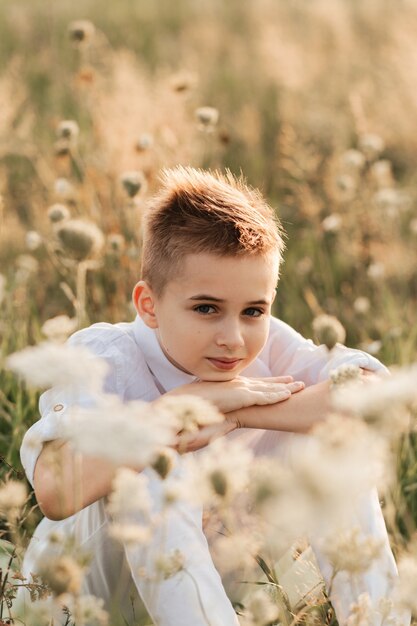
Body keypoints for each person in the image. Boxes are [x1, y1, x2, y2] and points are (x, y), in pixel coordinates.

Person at [19, 167, 405, 626]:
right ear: (149, 305)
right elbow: (55, 491)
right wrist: (183, 409)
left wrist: (239, 411)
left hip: (218, 591)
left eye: (253, 311)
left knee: (331, 437)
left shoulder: (273, 345)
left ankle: (377, 618)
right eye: (206, 308)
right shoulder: (104, 353)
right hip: (81, 599)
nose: (234, 339)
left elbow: (372, 397)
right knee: (159, 461)